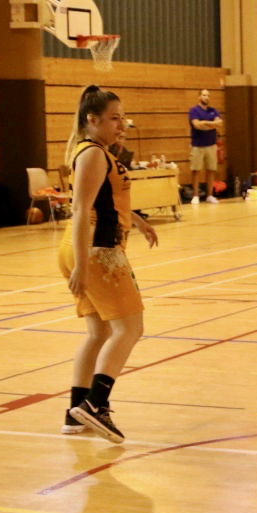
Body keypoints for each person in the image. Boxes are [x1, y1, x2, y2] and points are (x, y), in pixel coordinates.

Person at [60, 85, 159, 443]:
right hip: (98, 251)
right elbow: (80, 210)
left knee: (98, 333)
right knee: (130, 329)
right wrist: (83, 265)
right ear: (92, 119)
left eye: (122, 118)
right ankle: (95, 404)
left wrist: (137, 220)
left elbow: (106, 199)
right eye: (114, 118)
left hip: (88, 248)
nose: (121, 125)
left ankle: (75, 412)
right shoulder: (92, 154)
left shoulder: (96, 152)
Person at [188, 88, 223, 204]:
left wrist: (205, 123)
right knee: (196, 170)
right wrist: (211, 125)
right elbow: (196, 125)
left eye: (208, 95)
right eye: (204, 95)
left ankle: (210, 195)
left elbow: (219, 123)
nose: (206, 97)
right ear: (199, 97)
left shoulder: (213, 110)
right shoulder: (194, 110)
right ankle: (195, 195)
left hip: (211, 145)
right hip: (197, 145)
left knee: (211, 170)